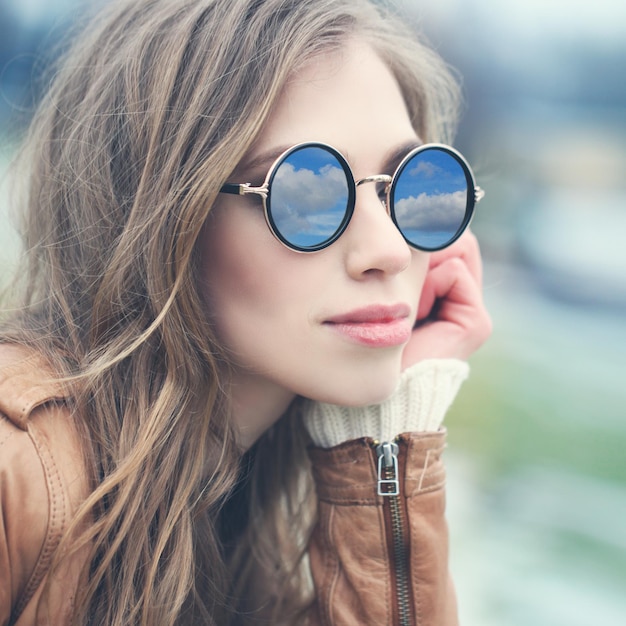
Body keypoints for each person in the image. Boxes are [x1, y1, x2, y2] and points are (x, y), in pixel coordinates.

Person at [0, 0, 491, 624]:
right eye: (304, 190)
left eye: (412, 185)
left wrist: (383, 440)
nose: (389, 251)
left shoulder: (259, 525)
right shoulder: (16, 473)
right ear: (164, 217)